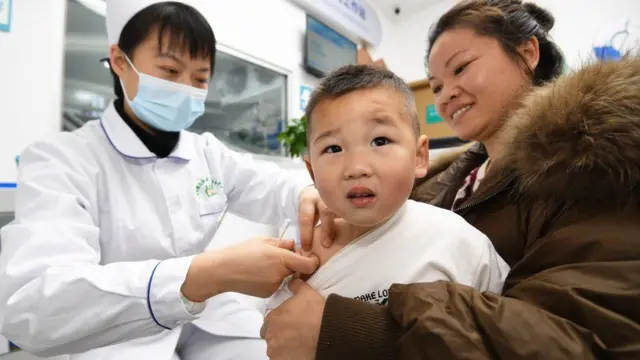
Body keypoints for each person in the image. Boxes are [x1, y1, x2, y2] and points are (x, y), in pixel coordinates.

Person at [261, 1, 640, 359]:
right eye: (436, 85)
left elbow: (590, 337)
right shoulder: (450, 181)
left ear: (527, 53)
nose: (445, 95)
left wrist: (358, 331)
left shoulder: (596, 169)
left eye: (460, 68)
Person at [0, 0, 332, 359]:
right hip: (113, 334)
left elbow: (274, 186)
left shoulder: (207, 153)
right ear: (119, 61)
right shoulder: (62, 160)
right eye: (170, 71)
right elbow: (31, 307)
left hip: (208, 316)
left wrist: (311, 192)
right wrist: (203, 273)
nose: (186, 88)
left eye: (200, 78)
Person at [260, 65, 509, 319]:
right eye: (333, 148)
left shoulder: (458, 241)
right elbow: (279, 333)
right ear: (312, 173)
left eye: (380, 141)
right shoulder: (303, 259)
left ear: (419, 157)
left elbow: (499, 328)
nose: (356, 168)